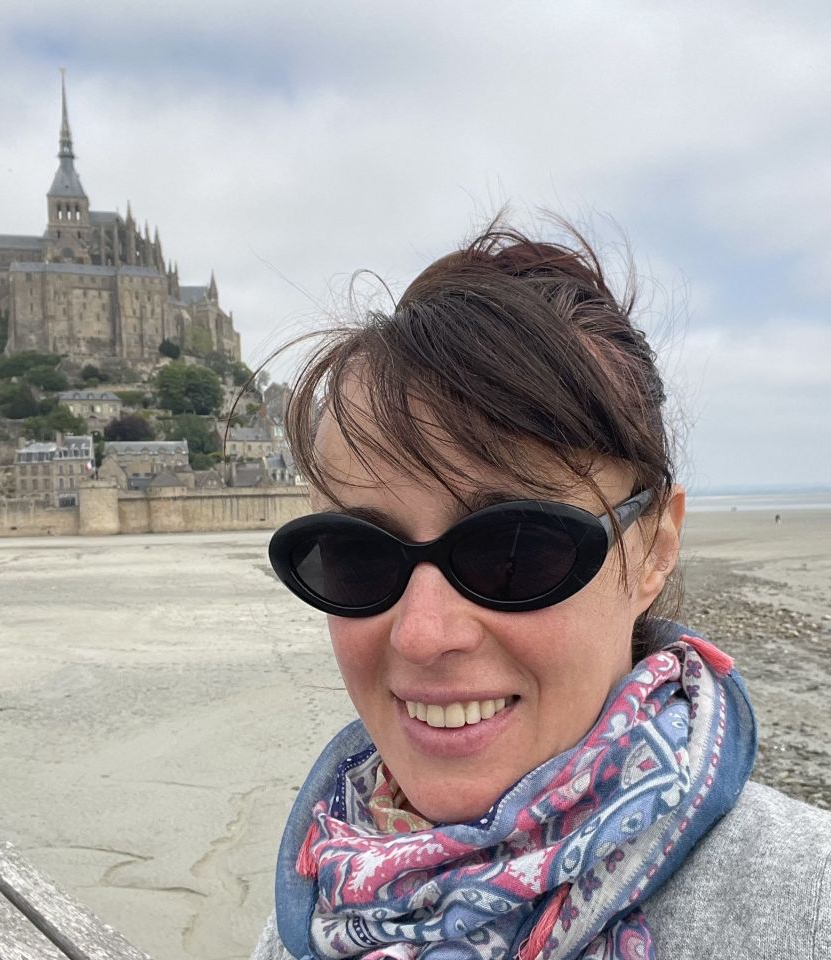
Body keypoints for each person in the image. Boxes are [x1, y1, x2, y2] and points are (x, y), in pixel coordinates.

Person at [253, 221, 831, 960]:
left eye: (513, 550)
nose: (423, 634)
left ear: (654, 547)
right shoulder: (311, 908)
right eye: (356, 555)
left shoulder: (807, 907)